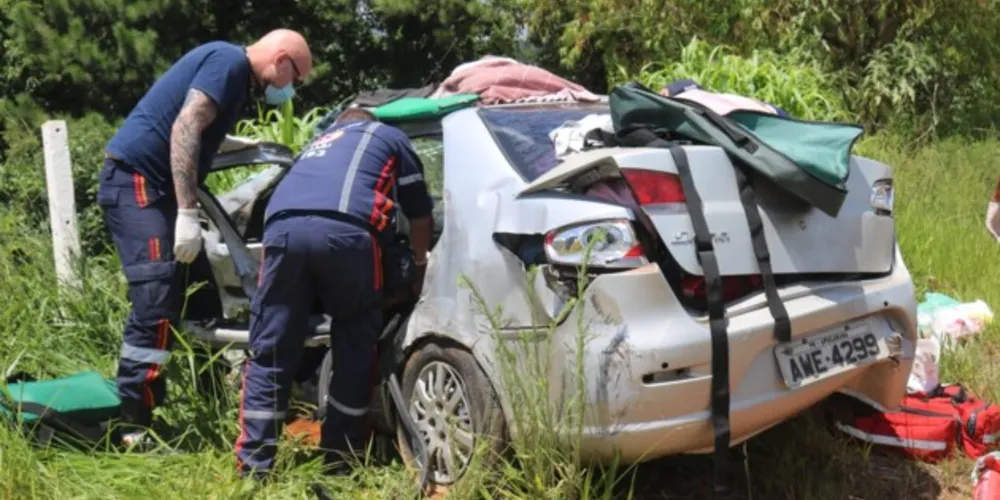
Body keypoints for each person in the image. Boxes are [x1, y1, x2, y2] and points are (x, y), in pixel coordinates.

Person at [98, 29, 313, 446]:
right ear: (282, 60)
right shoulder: (228, 62)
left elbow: (196, 125)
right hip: (138, 183)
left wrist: (230, 142)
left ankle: (211, 404)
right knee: (158, 296)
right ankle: (134, 425)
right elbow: (185, 126)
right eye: (296, 78)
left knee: (203, 298)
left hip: (158, 188)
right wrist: (186, 212)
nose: (292, 89)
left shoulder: (236, 81)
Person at [234, 107, 435, 479]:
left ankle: (253, 469)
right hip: (348, 235)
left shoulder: (313, 147)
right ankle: (340, 461)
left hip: (279, 236)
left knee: (270, 351)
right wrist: (419, 268)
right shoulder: (387, 136)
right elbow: (420, 213)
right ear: (369, 122)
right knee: (355, 343)